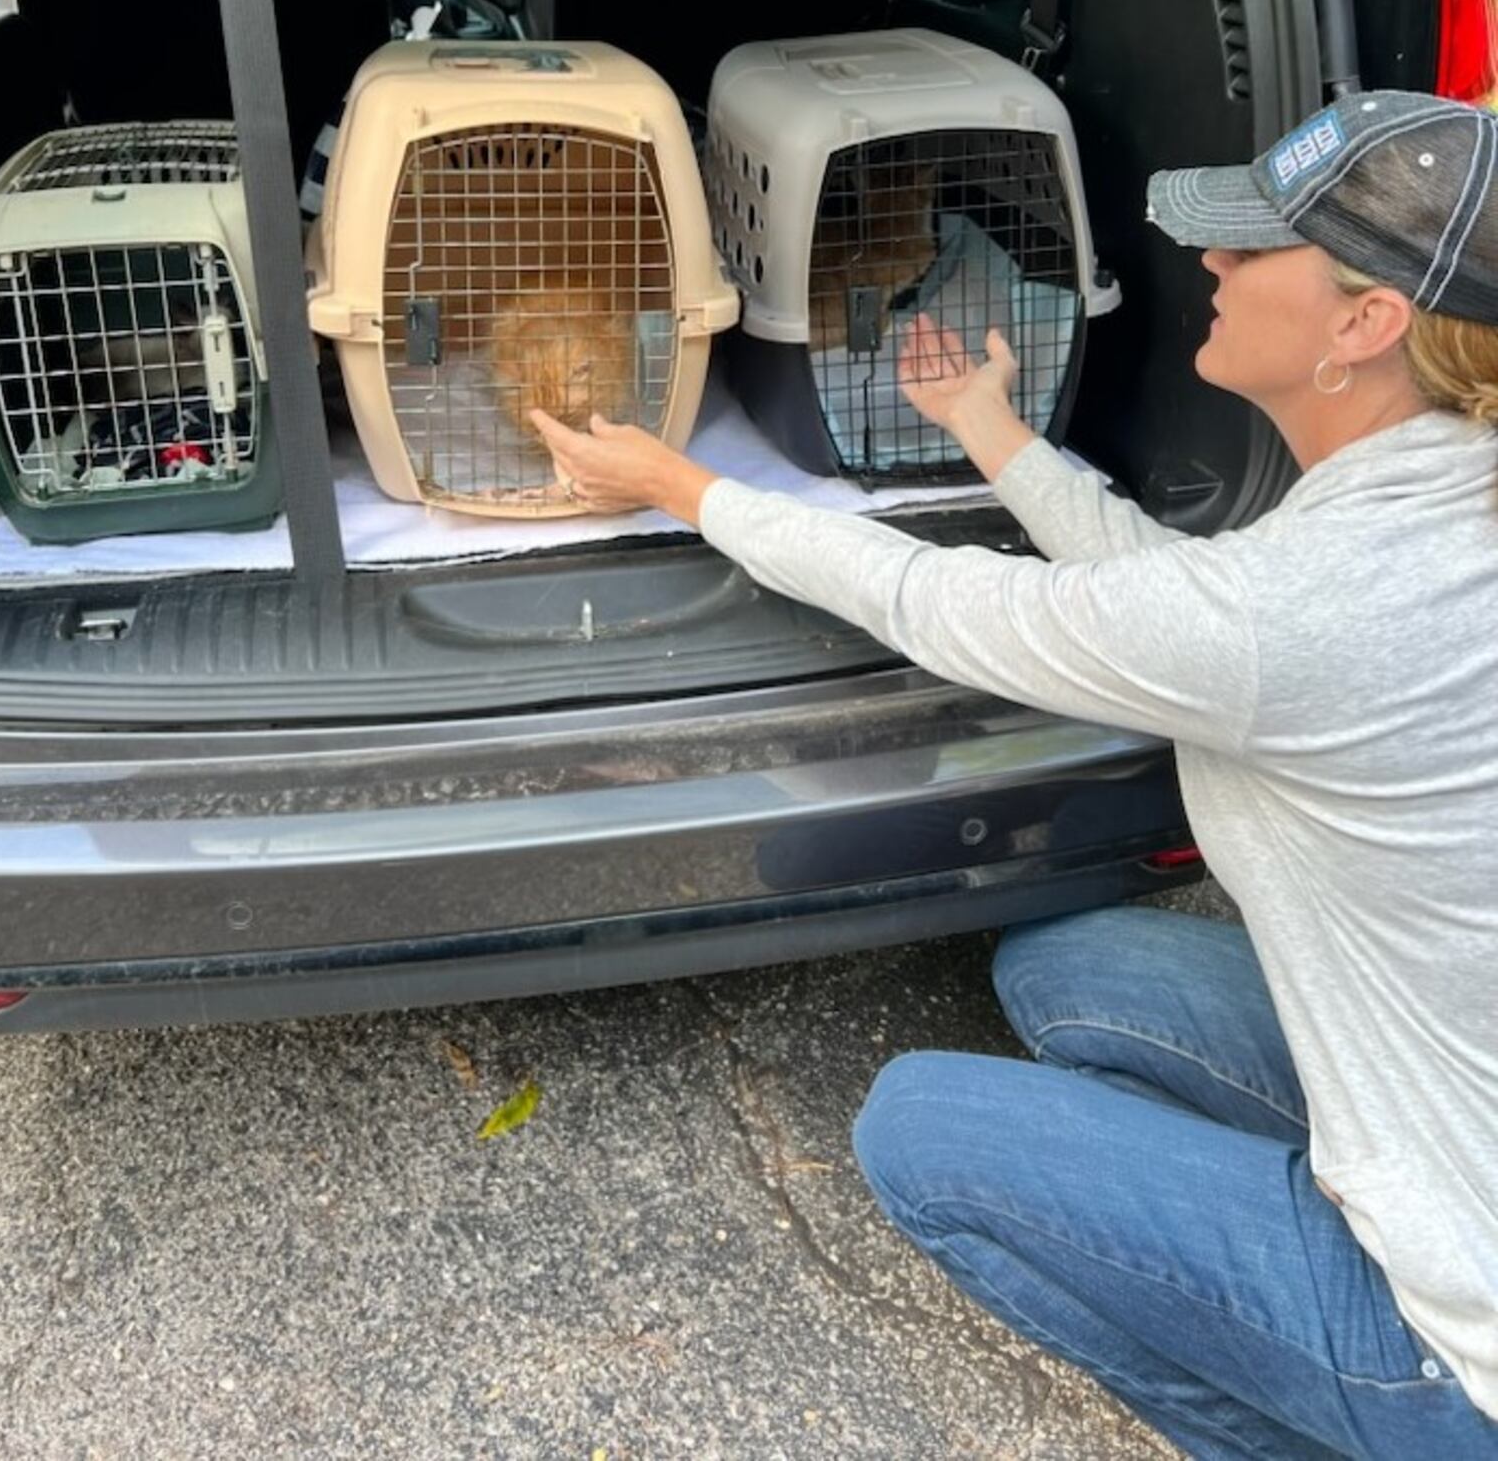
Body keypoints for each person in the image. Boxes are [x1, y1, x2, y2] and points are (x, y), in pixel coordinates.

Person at [531, 89, 1498, 1460]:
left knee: (918, 1126)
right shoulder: (1443, 489)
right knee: (1063, 967)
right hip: (1446, 1104)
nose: (1207, 267)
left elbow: (946, 604)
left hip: (1461, 1342)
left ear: (1367, 323)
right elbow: (1193, 604)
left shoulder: (1307, 605)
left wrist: (680, 485)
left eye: (1250, 250)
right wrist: (996, 429)